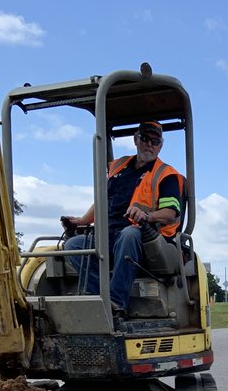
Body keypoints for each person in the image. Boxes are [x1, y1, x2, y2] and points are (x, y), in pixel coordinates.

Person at [61, 121, 183, 314]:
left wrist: (146, 216)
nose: (149, 144)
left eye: (155, 141)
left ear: (161, 145)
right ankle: (102, 298)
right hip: (110, 235)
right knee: (73, 245)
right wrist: (82, 221)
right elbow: (103, 200)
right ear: (136, 140)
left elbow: (170, 214)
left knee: (129, 233)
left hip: (147, 240)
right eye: (145, 139)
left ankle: (117, 303)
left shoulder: (166, 175)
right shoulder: (119, 167)